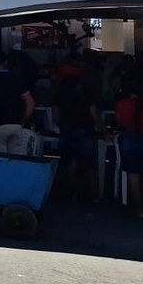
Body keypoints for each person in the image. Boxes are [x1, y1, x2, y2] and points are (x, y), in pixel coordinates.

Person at [113, 73, 143, 216]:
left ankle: (139, 209)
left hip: (129, 139)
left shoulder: (121, 104)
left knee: (133, 175)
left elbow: (119, 123)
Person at [53, 69, 100, 202]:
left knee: (69, 164)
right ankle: (95, 195)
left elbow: (55, 114)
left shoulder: (60, 95)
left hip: (67, 129)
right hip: (85, 129)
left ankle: (72, 194)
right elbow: (94, 114)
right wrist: (102, 129)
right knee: (90, 165)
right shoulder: (86, 94)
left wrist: (60, 125)